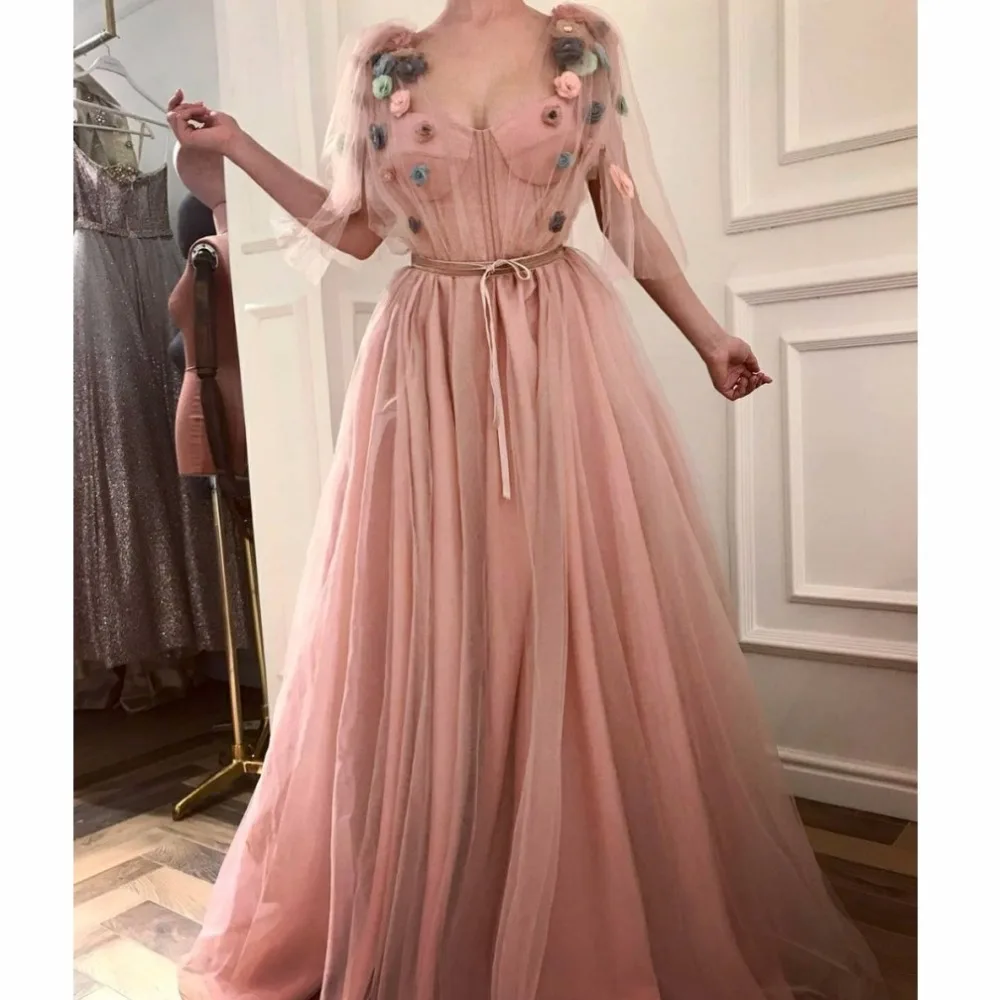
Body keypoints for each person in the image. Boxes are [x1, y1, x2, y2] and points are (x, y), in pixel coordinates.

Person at [169, 2, 885, 998]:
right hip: (428, 372)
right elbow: (356, 229)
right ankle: (455, 871)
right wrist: (239, 146)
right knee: (438, 619)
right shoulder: (386, 64)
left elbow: (622, 217)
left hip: (558, 358)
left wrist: (707, 335)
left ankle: (579, 884)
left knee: (566, 608)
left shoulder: (579, 51)